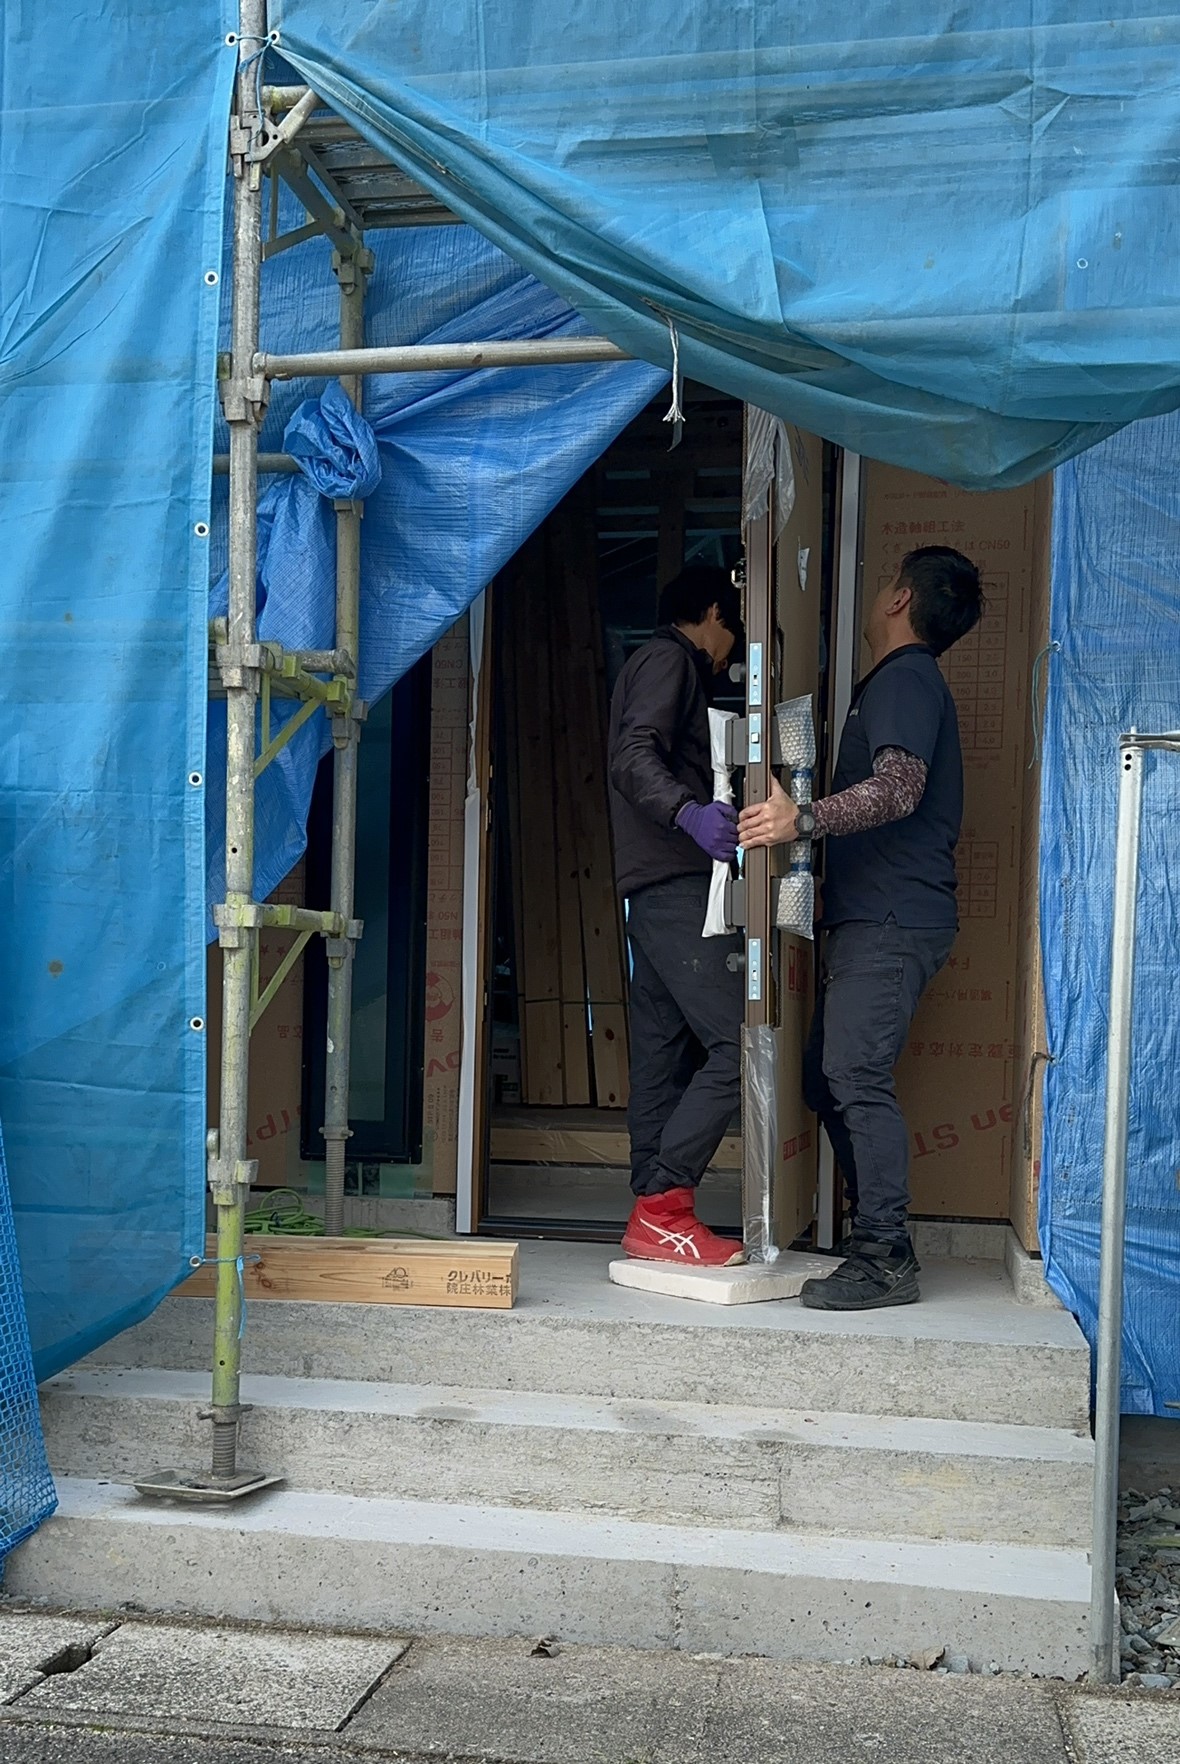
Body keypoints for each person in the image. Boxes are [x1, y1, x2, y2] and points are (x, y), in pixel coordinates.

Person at [739, 545, 982, 1310]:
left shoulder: (906, 679)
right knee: (826, 1079)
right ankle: (874, 1232)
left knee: (855, 1078)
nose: (878, 591)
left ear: (898, 599)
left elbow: (899, 788)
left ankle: (884, 1253)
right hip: (870, 919)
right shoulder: (897, 683)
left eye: (883, 580)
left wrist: (799, 817)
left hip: (890, 920)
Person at [608, 564, 746, 1266]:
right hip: (675, 883)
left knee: (663, 1052)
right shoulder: (670, 658)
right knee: (738, 1041)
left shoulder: (650, 660)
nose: (733, 655)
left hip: (652, 886)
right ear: (715, 612)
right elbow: (634, 755)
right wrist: (688, 812)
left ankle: (651, 1215)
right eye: (734, 633)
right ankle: (665, 1203)